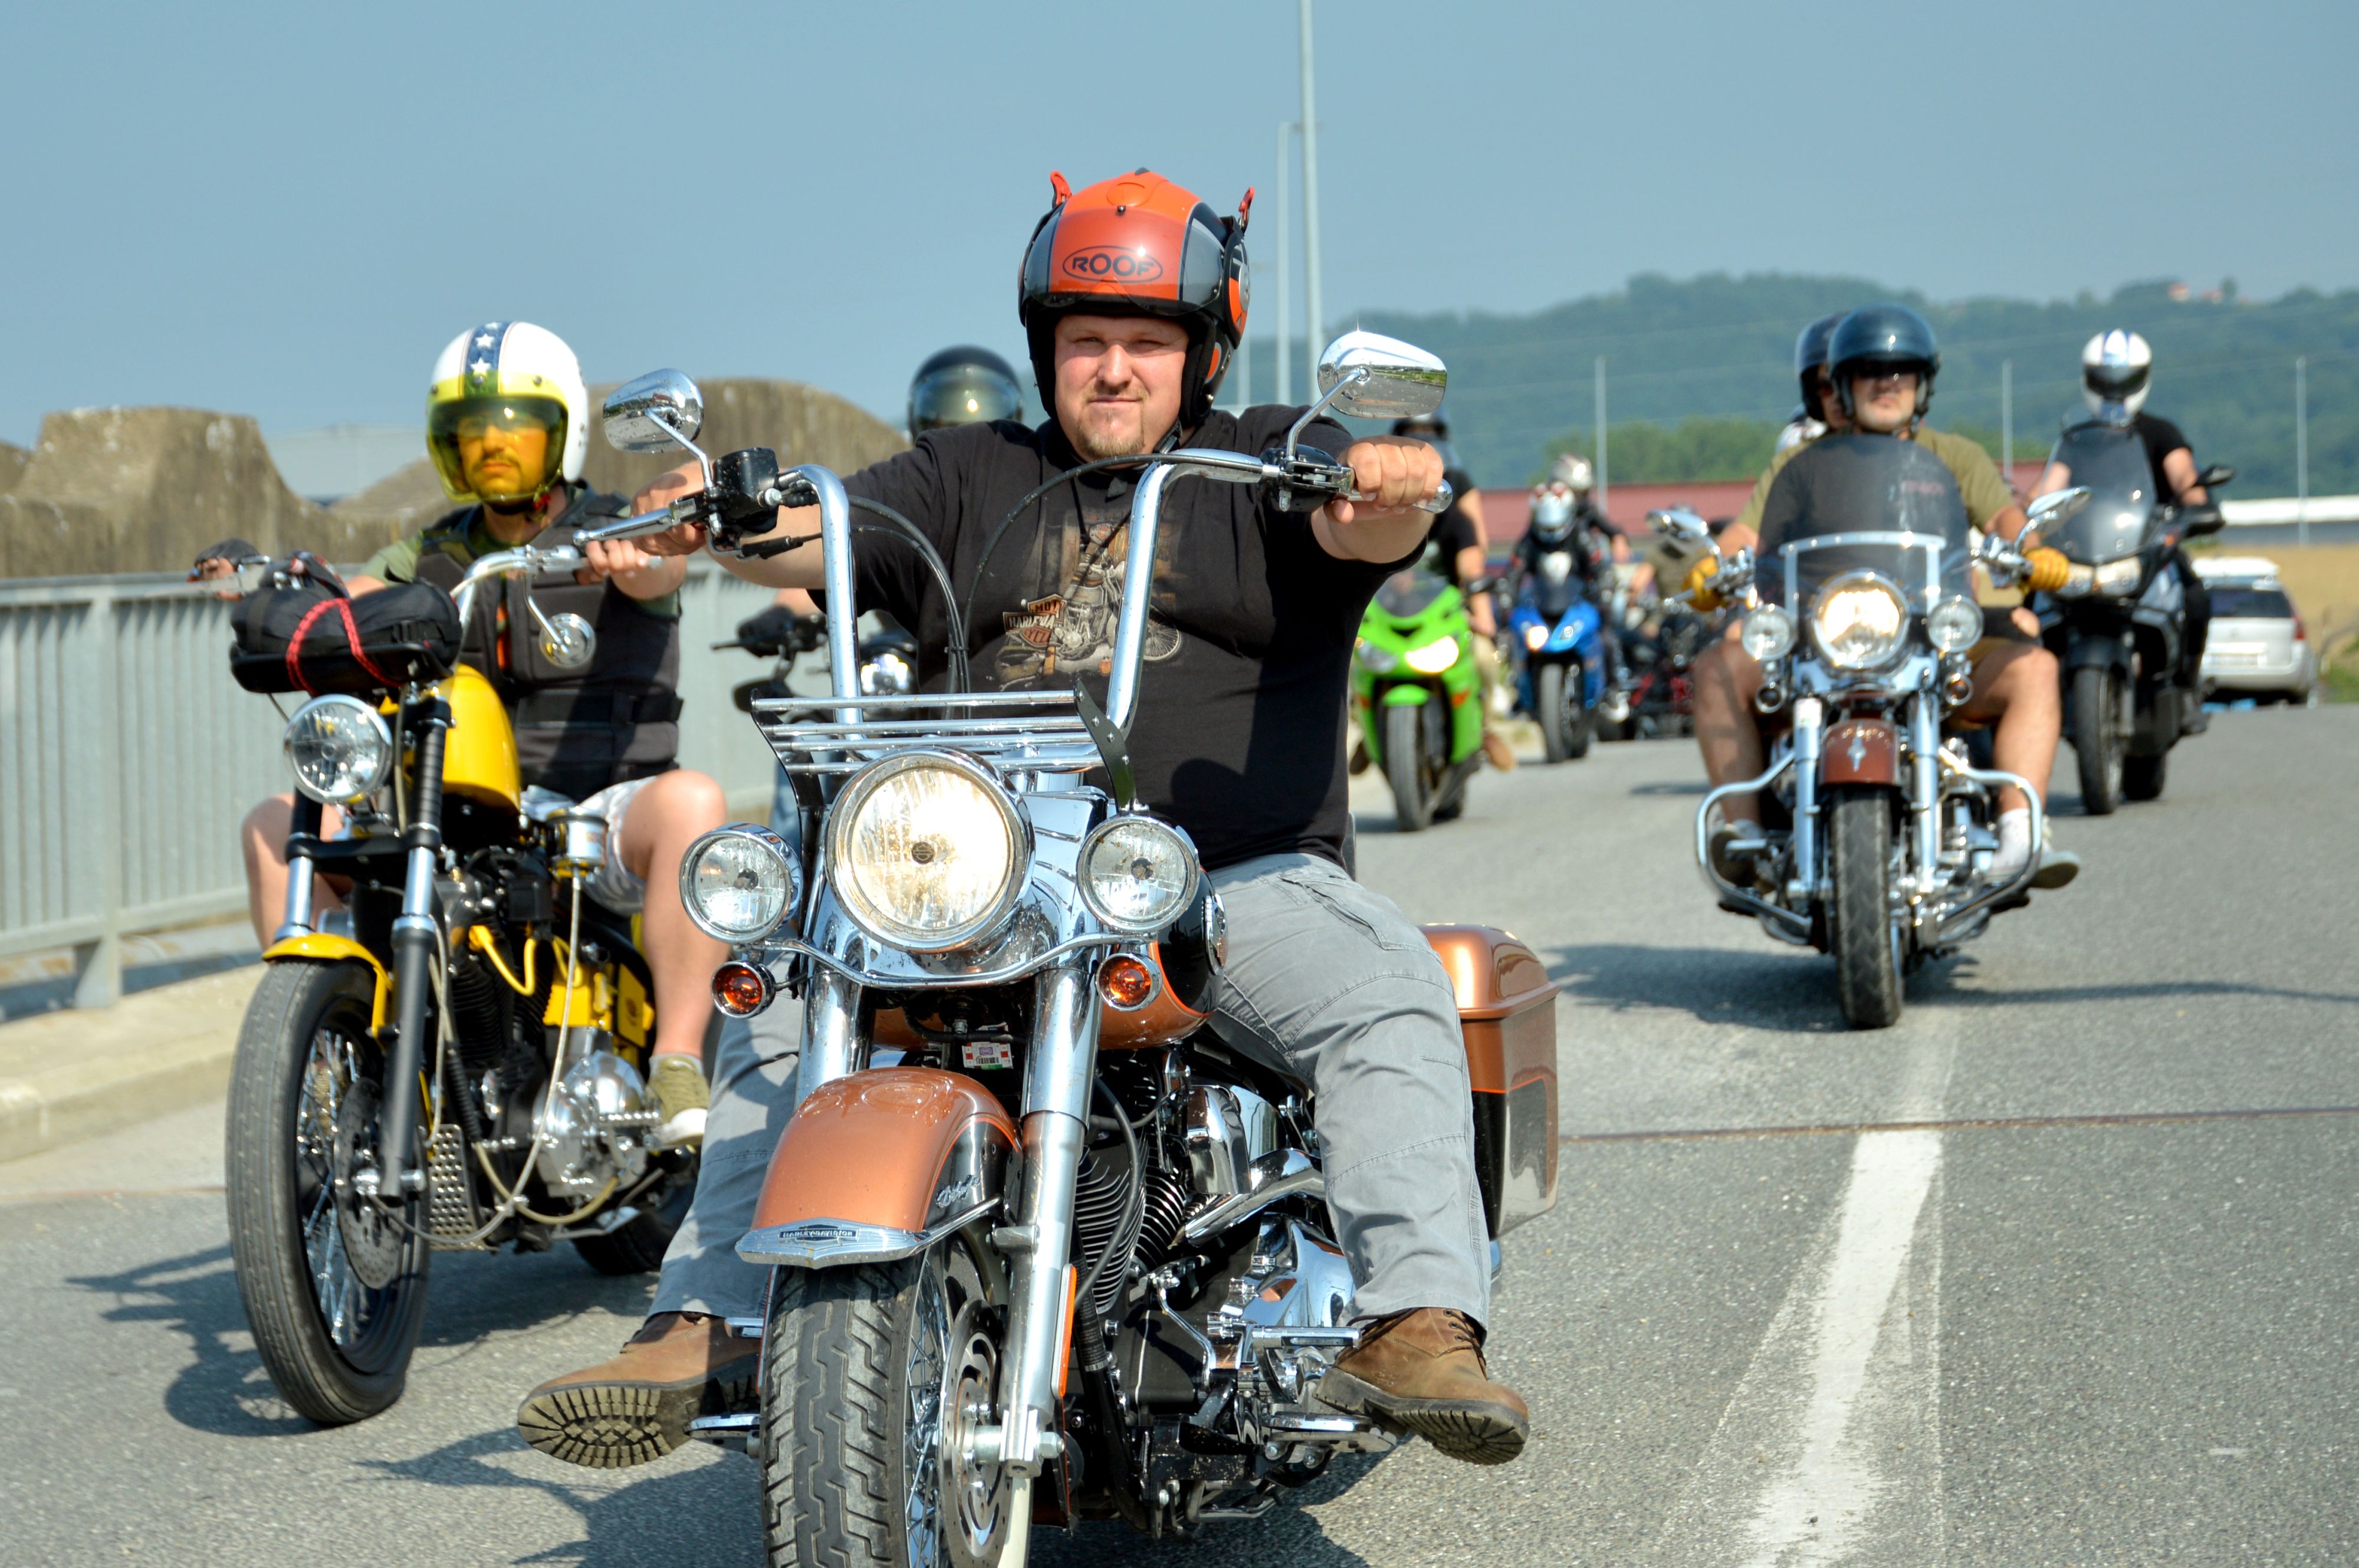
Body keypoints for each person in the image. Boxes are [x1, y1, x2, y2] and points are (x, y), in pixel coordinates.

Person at [518, 168, 1530, 1471]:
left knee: (1389, 984)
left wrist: (1396, 475)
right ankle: (703, 1313)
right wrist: (716, 517)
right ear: (1045, 350)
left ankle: (1415, 1321)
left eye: (1144, 343)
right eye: (1084, 342)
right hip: (971, 877)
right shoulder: (967, 469)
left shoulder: (1273, 459)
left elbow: (1372, 519)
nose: (1111, 369)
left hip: (1220, 881)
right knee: (775, 995)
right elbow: (819, 531)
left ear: (1201, 353)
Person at [232, 321, 730, 1148]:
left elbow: (667, 544)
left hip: (593, 812)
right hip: (460, 814)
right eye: (474, 437)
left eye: (515, 433)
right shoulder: (426, 553)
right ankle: (320, 1051)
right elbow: (357, 594)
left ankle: (677, 1055)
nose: (494, 452)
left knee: (693, 801)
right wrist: (293, 597)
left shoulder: (615, 527)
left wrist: (657, 525)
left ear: (561, 435)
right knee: (274, 822)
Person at [1687, 305, 2078, 889]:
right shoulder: (1800, 464)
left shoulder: (1956, 455)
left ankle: (2021, 834)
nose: (1887, 383)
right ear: (1842, 383)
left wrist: (2026, 543)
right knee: (1715, 667)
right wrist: (1712, 564)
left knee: (2035, 668)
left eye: (1902, 372)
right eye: (1870, 371)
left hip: (1931, 636)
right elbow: (1747, 531)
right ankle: (1744, 837)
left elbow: (2003, 513)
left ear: (1922, 384)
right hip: (1819, 638)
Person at [2031, 329, 2216, 725]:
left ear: (2143, 378)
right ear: (2088, 379)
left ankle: (2186, 687)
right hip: (2082, 550)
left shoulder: (2161, 433)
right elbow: (2049, 490)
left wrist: (2196, 505)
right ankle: (2022, 697)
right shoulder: (2075, 439)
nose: (2115, 390)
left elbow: (2184, 476)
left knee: (2196, 597)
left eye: (2125, 381)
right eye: (2105, 380)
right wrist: (2027, 515)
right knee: (2027, 602)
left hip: (2145, 548)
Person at [1391, 411, 1516, 767]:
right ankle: (1367, 730)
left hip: (1446, 611)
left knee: (1483, 660)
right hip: (1392, 612)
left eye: (1429, 433)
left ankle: (1483, 728)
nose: (1423, 440)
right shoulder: (1383, 500)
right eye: (1414, 433)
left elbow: (1473, 563)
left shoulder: (1457, 499)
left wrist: (1482, 616)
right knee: (1355, 659)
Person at [1774, 313, 1842, 453]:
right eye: (1825, 387)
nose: (1836, 397)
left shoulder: (1896, 450)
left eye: (1843, 385)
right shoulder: (1800, 461)